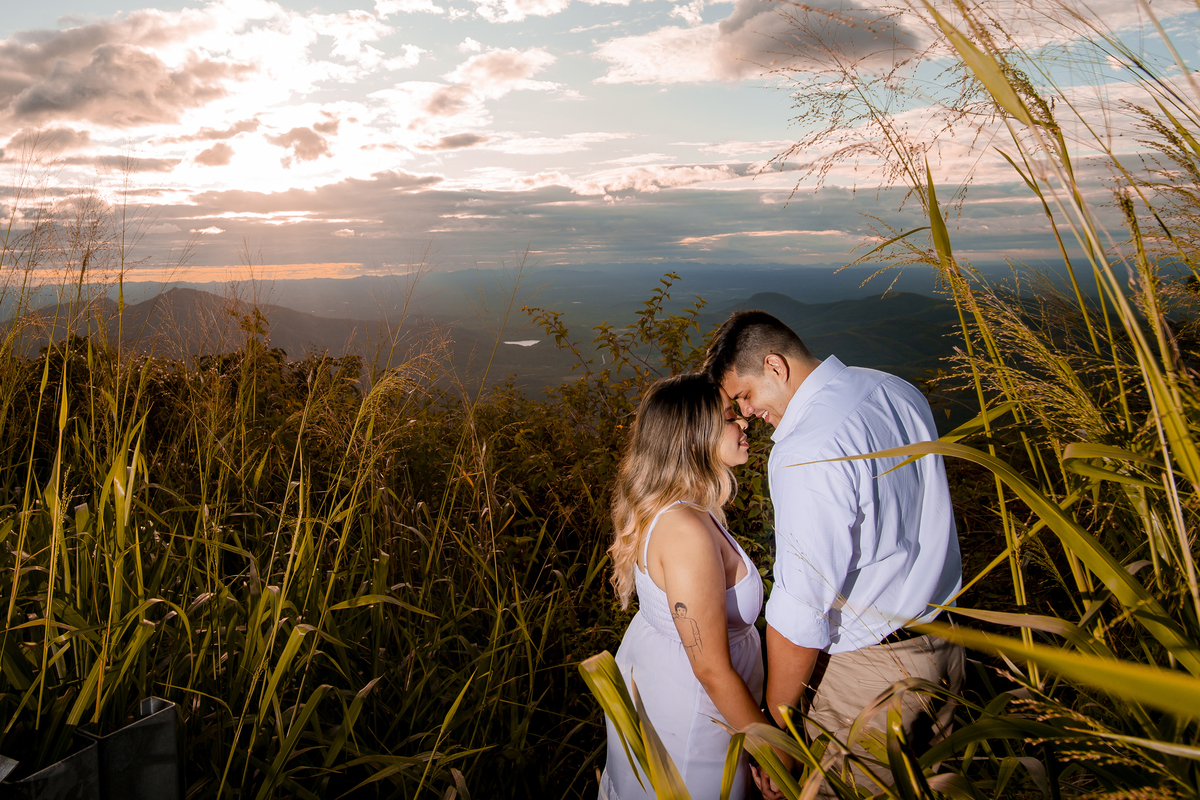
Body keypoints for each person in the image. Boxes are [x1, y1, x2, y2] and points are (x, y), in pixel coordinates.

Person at [704, 310, 964, 798]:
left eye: (745, 396)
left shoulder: (807, 448)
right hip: (946, 643)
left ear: (775, 367)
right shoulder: (893, 389)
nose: (748, 414)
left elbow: (801, 608)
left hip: (873, 677)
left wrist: (779, 732)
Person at [598, 373, 787, 800]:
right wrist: (772, 750)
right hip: (696, 711)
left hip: (678, 689)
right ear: (692, 437)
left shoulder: (684, 510)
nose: (744, 422)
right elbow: (711, 668)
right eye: (728, 417)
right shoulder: (684, 530)